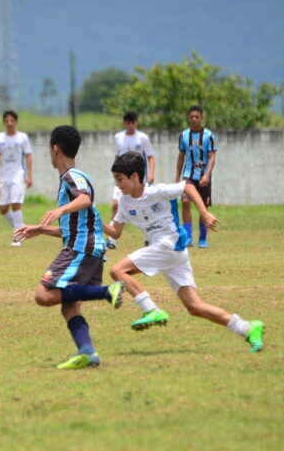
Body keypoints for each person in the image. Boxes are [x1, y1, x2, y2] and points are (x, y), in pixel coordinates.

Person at [105, 151, 264, 353]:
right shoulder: (125, 202)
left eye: (120, 179)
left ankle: (151, 310)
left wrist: (204, 213)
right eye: (115, 180)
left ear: (135, 176)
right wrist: (95, 221)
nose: (117, 184)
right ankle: (248, 328)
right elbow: (115, 232)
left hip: (168, 245)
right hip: (172, 253)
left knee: (118, 271)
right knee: (195, 307)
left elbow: (187, 186)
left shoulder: (157, 191)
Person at [14, 125, 125, 369]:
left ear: (55, 148)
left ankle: (108, 291)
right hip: (87, 247)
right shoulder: (72, 178)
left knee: (43, 295)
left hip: (80, 250)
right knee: (70, 307)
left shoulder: (72, 177)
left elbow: (85, 198)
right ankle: (87, 353)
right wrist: (40, 230)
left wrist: (59, 210)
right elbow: (72, 228)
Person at [107, 110, 156, 250]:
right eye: (127, 122)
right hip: (122, 179)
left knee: (143, 207)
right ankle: (111, 239)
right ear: (124, 123)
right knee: (115, 205)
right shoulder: (118, 137)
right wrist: (115, 175)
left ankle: (149, 237)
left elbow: (151, 157)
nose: (130, 125)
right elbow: (117, 157)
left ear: (136, 123)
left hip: (137, 179)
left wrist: (151, 174)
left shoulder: (142, 138)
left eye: (132, 122)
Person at [175, 105, 217, 248]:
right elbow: (181, 157)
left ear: (201, 118)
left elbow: (212, 157)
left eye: (196, 117)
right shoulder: (184, 135)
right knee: (185, 202)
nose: (194, 119)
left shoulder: (209, 136)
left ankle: (203, 239)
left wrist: (207, 174)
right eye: (191, 117)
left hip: (203, 176)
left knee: (203, 206)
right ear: (188, 118)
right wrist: (177, 177)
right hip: (188, 175)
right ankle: (187, 237)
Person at [0, 110, 33, 246]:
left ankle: (17, 238)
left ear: (16, 122)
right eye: (7, 121)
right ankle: (20, 226)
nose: (9, 123)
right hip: (4, 176)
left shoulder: (22, 137)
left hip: (18, 174)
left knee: (15, 203)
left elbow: (28, 156)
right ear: (4, 122)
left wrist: (29, 175)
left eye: (12, 120)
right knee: (3, 208)